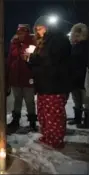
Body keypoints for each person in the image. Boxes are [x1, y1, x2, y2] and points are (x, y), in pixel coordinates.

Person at [26, 16, 72, 149]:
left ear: (48, 27)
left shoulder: (58, 40)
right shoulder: (43, 42)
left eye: (41, 28)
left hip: (55, 85)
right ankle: (47, 136)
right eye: (37, 29)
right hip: (44, 84)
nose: (39, 32)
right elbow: (40, 61)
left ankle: (56, 140)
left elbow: (51, 60)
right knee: (44, 113)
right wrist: (31, 59)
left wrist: (34, 58)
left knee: (54, 115)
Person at [7, 24, 37, 132]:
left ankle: (32, 122)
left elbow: (33, 58)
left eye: (23, 32)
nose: (20, 34)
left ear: (27, 32)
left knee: (29, 101)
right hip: (15, 77)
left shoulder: (32, 42)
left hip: (28, 76)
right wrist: (9, 76)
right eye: (19, 32)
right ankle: (15, 120)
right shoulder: (14, 43)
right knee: (17, 100)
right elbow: (10, 59)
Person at [68, 23, 89, 128]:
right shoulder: (74, 46)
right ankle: (77, 119)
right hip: (75, 78)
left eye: (78, 33)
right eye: (75, 33)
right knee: (77, 100)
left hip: (84, 78)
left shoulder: (85, 46)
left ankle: (86, 121)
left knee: (86, 101)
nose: (76, 36)